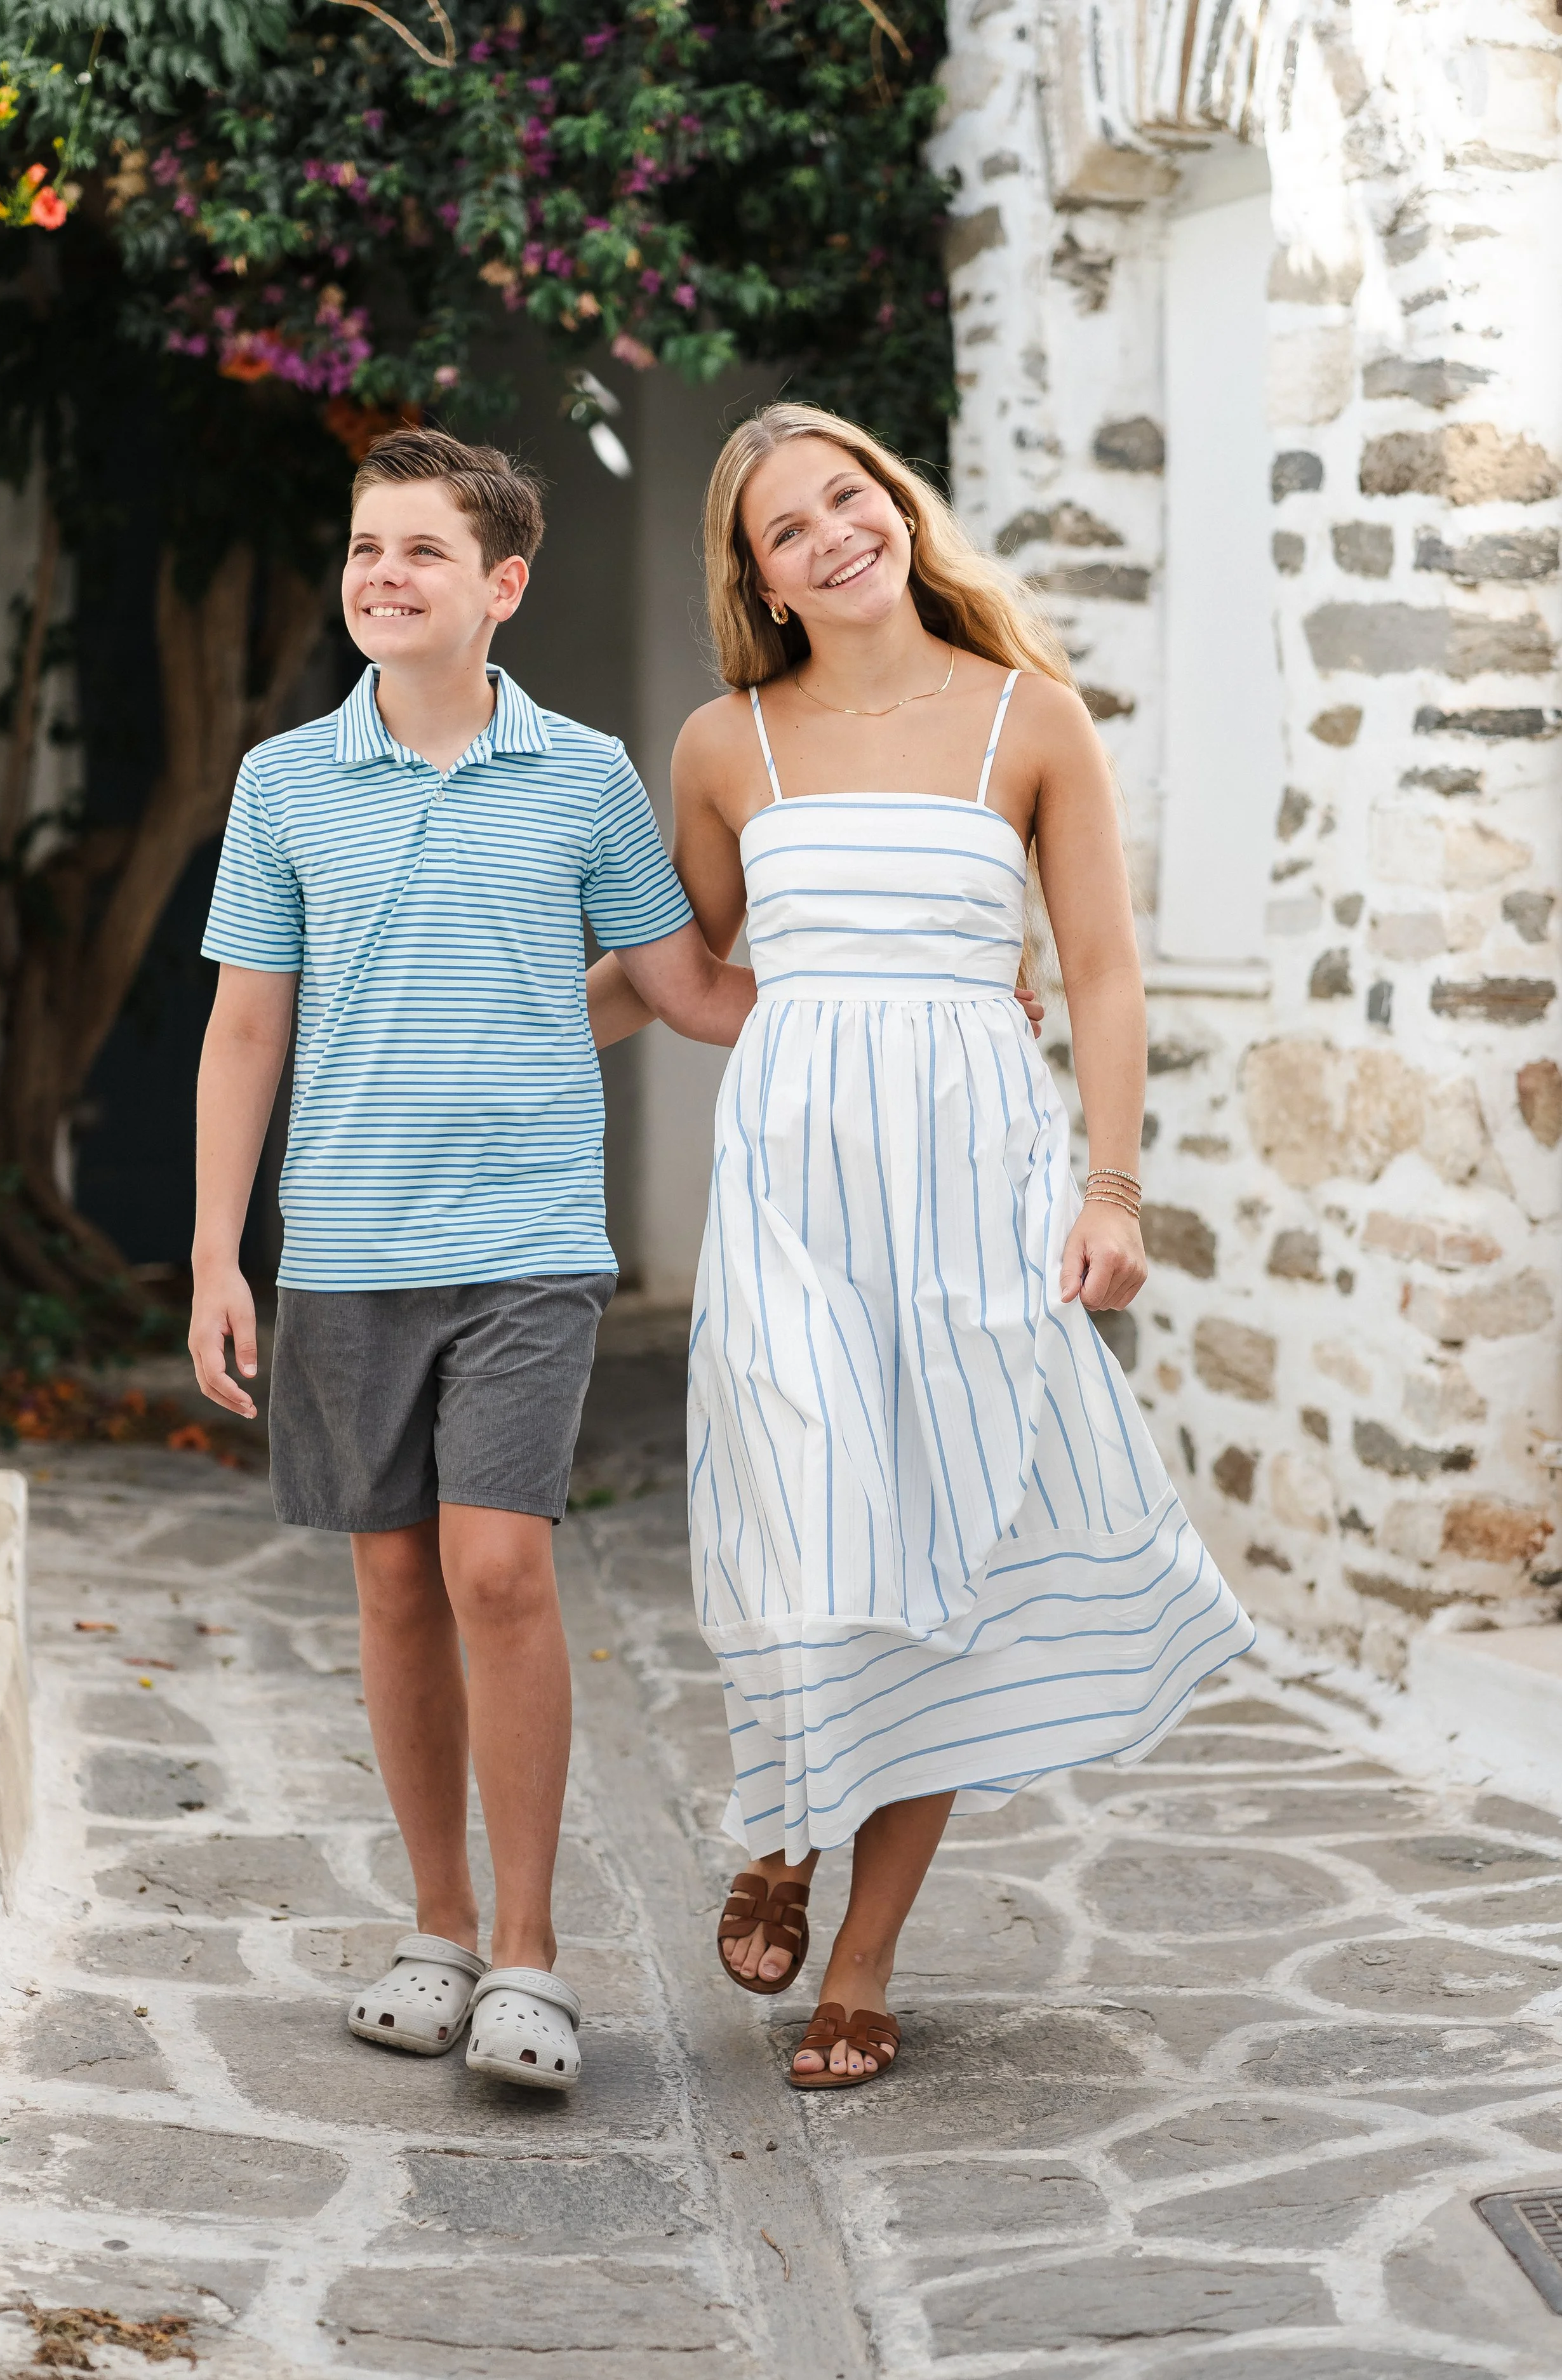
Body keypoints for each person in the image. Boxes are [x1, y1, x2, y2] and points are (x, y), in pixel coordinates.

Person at [608, 401, 1255, 2089]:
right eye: (786, 528)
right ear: (756, 579)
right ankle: (784, 1818)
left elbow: (1102, 968)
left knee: (944, 1551)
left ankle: (865, 1957)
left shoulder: (1026, 717)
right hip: (794, 1180)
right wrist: (478, 1033)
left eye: (850, 496)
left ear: (897, 509)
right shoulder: (721, 742)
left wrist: (1109, 1191)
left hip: (980, 1174)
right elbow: (686, 972)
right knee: (806, 1520)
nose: (833, 533)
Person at [189, 425, 754, 2093]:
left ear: (501, 586)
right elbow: (242, 1028)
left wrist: (893, 994)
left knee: (495, 1567)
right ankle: (435, 1924)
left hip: (526, 1242)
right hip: (346, 1242)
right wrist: (220, 1253)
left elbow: (681, 984)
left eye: (421, 551)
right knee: (386, 1578)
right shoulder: (284, 782)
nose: (383, 575)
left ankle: (528, 1951)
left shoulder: (584, 779)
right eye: (367, 547)